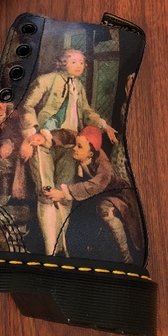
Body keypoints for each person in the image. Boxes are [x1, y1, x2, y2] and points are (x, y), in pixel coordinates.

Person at [19, 49, 118, 255]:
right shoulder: (45, 80)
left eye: (81, 62)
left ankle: (60, 249)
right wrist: (30, 136)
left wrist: (104, 125)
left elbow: (86, 112)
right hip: (44, 142)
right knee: (46, 193)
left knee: (64, 194)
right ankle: (49, 251)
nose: (79, 65)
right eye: (74, 61)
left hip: (69, 146)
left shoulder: (78, 87)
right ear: (63, 63)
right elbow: (27, 106)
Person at [43, 126, 142, 264]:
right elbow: (68, 134)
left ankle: (126, 259)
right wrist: (46, 137)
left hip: (118, 196)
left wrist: (64, 193)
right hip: (92, 196)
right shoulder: (85, 144)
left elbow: (95, 185)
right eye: (76, 144)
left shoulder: (104, 168)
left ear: (90, 154)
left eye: (79, 147)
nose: (74, 148)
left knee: (105, 210)